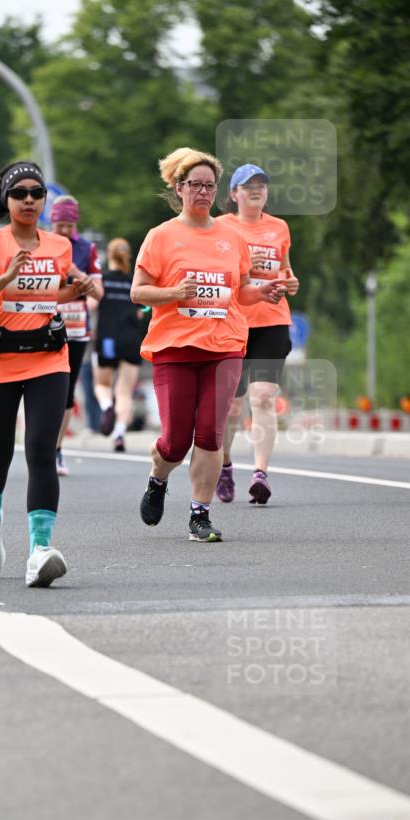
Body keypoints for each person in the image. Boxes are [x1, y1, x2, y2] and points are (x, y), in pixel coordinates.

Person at [130, 147, 286, 542]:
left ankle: (200, 515)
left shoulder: (231, 237)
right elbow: (138, 292)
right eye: (195, 185)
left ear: (218, 191)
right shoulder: (161, 236)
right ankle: (158, 477)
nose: (202, 192)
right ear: (180, 188)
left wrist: (263, 291)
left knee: (211, 434)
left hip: (225, 346)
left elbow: (241, 292)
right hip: (175, 349)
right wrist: (174, 292)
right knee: (176, 440)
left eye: (209, 186)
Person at [0, 160, 95, 587]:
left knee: (41, 451)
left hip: (48, 359)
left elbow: (49, 294)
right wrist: (6, 276)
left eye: (36, 193)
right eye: (20, 193)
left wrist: (77, 290)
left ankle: (40, 549)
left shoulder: (58, 247)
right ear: (7, 199)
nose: (29, 199)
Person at [215, 164, 300, 504]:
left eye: (262, 185)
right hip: (233, 323)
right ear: (234, 194)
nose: (256, 190)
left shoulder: (279, 228)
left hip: (272, 322)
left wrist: (292, 282)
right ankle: (223, 466)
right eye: (248, 185)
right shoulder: (220, 227)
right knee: (232, 407)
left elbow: (286, 271)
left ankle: (260, 474)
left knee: (263, 397)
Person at [50, 195, 103, 476]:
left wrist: (78, 275)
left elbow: (98, 293)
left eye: (68, 225)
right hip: (44, 326)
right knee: (44, 389)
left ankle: (57, 450)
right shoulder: (42, 244)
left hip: (76, 330)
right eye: (59, 225)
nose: (64, 231)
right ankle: (43, 447)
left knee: (66, 392)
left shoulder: (86, 248)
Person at [93, 238, 144, 452]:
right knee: (124, 391)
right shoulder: (134, 282)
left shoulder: (102, 280)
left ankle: (107, 407)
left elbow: (93, 304)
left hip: (108, 340)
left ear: (109, 255)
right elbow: (141, 313)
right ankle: (119, 434)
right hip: (131, 340)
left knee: (102, 385)